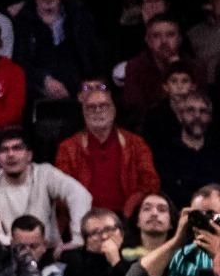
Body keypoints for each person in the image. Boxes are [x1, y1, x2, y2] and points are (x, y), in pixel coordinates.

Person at [54, 79, 160, 220]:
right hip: (83, 220)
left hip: (127, 219)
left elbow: (151, 182)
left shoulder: (136, 144)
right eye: (92, 107)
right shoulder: (68, 148)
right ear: (84, 112)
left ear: (113, 110)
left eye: (103, 106)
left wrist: (134, 202)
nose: (98, 111)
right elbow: (61, 191)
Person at [0, 130, 93, 250]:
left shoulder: (46, 174)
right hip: (9, 252)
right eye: (4, 150)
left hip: (48, 251)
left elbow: (80, 195)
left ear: (29, 155)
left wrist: (78, 238)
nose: (11, 154)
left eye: (17, 148)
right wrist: (19, 246)